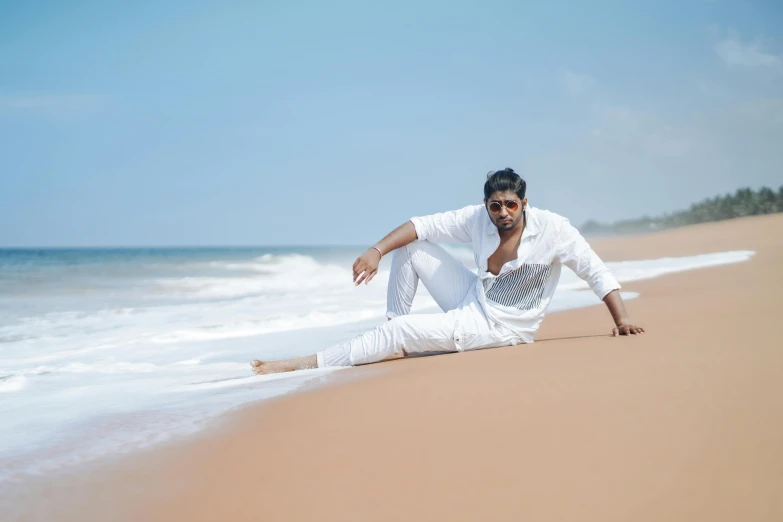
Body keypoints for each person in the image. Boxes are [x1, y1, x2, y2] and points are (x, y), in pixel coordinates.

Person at [251, 168, 644, 375]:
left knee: (401, 334)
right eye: (495, 206)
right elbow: (420, 225)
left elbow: (595, 271)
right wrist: (376, 251)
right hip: (474, 298)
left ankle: (304, 363)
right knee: (413, 248)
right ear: (486, 205)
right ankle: (392, 336)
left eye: (510, 204)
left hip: (503, 329)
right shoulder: (477, 219)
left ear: (524, 203)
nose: (502, 213)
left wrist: (622, 320)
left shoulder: (555, 230)